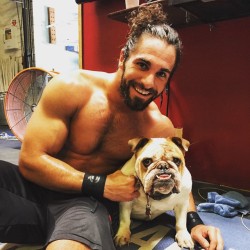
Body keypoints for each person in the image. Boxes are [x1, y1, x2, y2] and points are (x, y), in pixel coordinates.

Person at [0, 3, 223, 250]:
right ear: (122, 58)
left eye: (162, 74)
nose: (149, 81)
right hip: (31, 188)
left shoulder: (158, 127)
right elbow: (30, 160)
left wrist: (194, 222)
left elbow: (181, 174)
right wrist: (102, 183)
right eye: (143, 64)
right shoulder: (71, 89)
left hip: (84, 206)